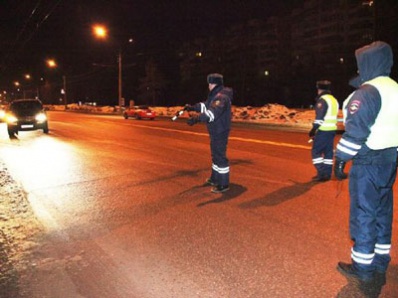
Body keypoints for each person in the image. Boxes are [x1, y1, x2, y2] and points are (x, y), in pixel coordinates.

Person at [334, 41, 398, 282]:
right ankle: (381, 261)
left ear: (367, 63)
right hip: (390, 160)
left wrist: (341, 159)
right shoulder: (394, 88)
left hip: (368, 161)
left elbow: (356, 131)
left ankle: (362, 267)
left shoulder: (367, 92)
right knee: (383, 211)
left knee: (364, 213)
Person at [184, 73, 233, 193]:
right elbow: (206, 106)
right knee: (215, 155)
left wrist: (197, 118)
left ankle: (223, 183)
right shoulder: (215, 95)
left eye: (210, 83)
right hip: (215, 130)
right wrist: (192, 107)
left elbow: (212, 113)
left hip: (220, 131)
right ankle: (215, 178)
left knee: (220, 157)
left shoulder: (221, 97)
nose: (208, 86)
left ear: (214, 83)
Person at [309, 80, 339, 182]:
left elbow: (320, 117)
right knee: (328, 153)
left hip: (323, 130)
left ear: (319, 89)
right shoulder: (333, 100)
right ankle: (327, 174)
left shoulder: (323, 100)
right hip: (331, 130)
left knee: (316, 152)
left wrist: (314, 128)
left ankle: (322, 173)